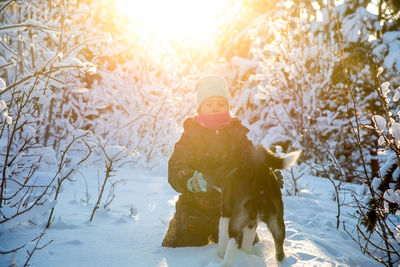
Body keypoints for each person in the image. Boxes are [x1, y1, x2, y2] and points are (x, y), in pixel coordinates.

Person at [162, 75, 267, 247]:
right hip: (195, 207)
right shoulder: (191, 135)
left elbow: (252, 161)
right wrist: (189, 180)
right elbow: (177, 165)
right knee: (178, 245)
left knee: (245, 246)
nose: (215, 108)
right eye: (209, 104)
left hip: (232, 207)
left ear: (227, 106)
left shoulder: (237, 134)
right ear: (200, 107)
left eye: (220, 104)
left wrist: (265, 175)